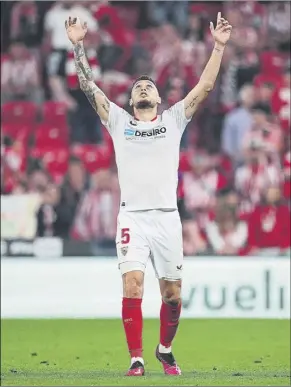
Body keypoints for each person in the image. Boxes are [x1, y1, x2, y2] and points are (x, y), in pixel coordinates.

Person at [65, 12, 232, 376]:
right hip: (133, 218)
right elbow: (88, 87)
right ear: (131, 98)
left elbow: (203, 87)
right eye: (138, 86)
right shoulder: (119, 122)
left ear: (158, 98)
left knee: (172, 294)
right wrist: (78, 45)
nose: (143, 88)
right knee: (133, 284)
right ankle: (136, 359)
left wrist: (218, 47)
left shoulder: (173, 119)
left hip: (167, 218)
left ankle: (165, 349)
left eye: (149, 86)